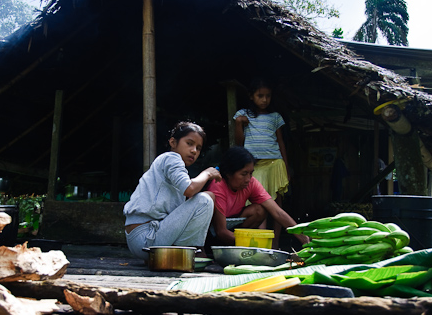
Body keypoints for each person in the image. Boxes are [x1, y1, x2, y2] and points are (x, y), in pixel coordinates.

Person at [123, 121, 222, 260]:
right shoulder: (171, 158)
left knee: (207, 197)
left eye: (198, 148)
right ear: (173, 142)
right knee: (205, 200)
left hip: (145, 237)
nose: (194, 150)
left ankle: (186, 252)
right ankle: (192, 252)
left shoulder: (173, 166)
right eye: (189, 143)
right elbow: (190, 189)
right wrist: (207, 173)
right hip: (145, 237)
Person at [207, 146, 309, 247]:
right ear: (228, 174)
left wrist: (304, 238)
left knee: (259, 210)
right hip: (214, 234)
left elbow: (277, 212)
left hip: (235, 229)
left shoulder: (251, 183)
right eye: (244, 174)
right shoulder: (218, 185)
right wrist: (253, 244)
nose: (248, 179)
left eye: (251, 173)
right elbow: (221, 231)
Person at [234, 78, 289, 248]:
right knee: (259, 204)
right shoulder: (243, 115)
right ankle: (261, 244)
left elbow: (281, 142)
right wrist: (238, 124)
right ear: (251, 96)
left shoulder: (275, 117)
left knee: (277, 204)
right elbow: (239, 142)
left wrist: (286, 168)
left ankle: (276, 242)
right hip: (254, 167)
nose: (264, 100)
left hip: (275, 163)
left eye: (268, 96)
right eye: (260, 96)